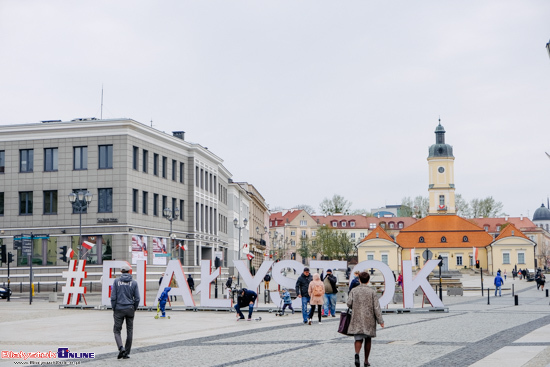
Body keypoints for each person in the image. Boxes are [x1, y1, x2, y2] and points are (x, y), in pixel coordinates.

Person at [347, 271, 384, 367]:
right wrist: (381, 321)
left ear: (359, 280)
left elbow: (349, 303)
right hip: (369, 318)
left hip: (357, 318)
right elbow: (376, 307)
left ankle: (357, 354)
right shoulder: (372, 291)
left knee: (358, 338)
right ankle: (366, 361)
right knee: (368, 339)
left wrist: (355, 307)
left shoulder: (354, 291)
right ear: (368, 281)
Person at [111, 263, 140, 360]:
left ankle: (121, 348)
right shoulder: (134, 283)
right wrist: (134, 308)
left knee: (116, 330)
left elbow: (113, 297)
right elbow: (137, 298)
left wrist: (114, 308)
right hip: (130, 309)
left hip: (119, 308)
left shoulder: (116, 281)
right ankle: (126, 353)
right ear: (129, 272)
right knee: (130, 330)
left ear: (121, 272)